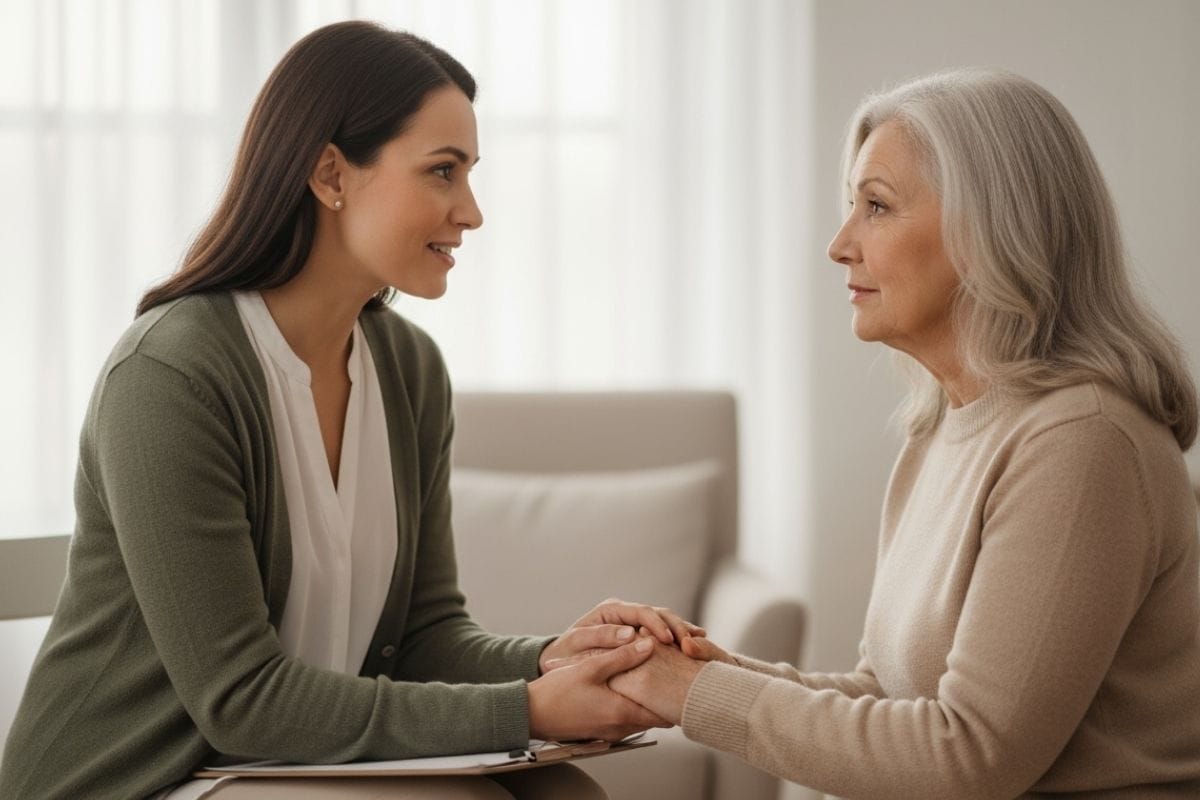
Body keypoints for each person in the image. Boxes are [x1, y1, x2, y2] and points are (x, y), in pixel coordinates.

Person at [0, 21, 700, 800]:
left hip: (268, 765)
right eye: (442, 171)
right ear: (331, 173)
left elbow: (427, 637)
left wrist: (558, 661)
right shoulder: (171, 376)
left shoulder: (409, 370)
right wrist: (528, 708)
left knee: (565, 794)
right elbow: (242, 702)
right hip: (141, 777)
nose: (471, 211)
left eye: (468, 174)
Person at [604, 68, 1200, 797]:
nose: (839, 244)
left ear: (990, 232)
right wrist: (697, 672)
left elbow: (969, 755)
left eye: (877, 207)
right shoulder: (944, 428)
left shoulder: (1082, 442)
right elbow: (888, 695)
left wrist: (690, 694)